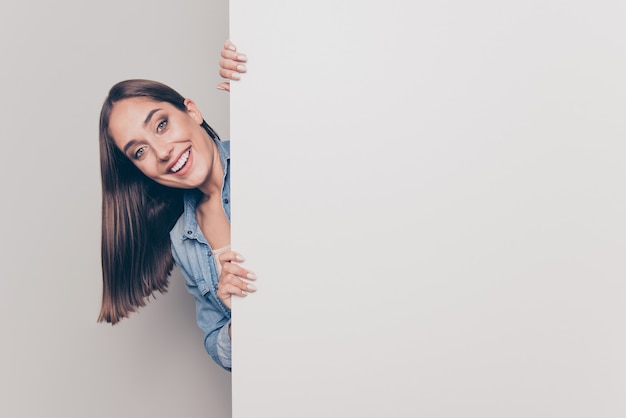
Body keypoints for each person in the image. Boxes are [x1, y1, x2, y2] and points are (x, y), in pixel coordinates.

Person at [98, 40, 250, 371]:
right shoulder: (183, 240)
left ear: (191, 111)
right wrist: (240, 321)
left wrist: (261, 75)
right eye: (139, 152)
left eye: (161, 124)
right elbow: (217, 344)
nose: (162, 151)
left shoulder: (263, 157)